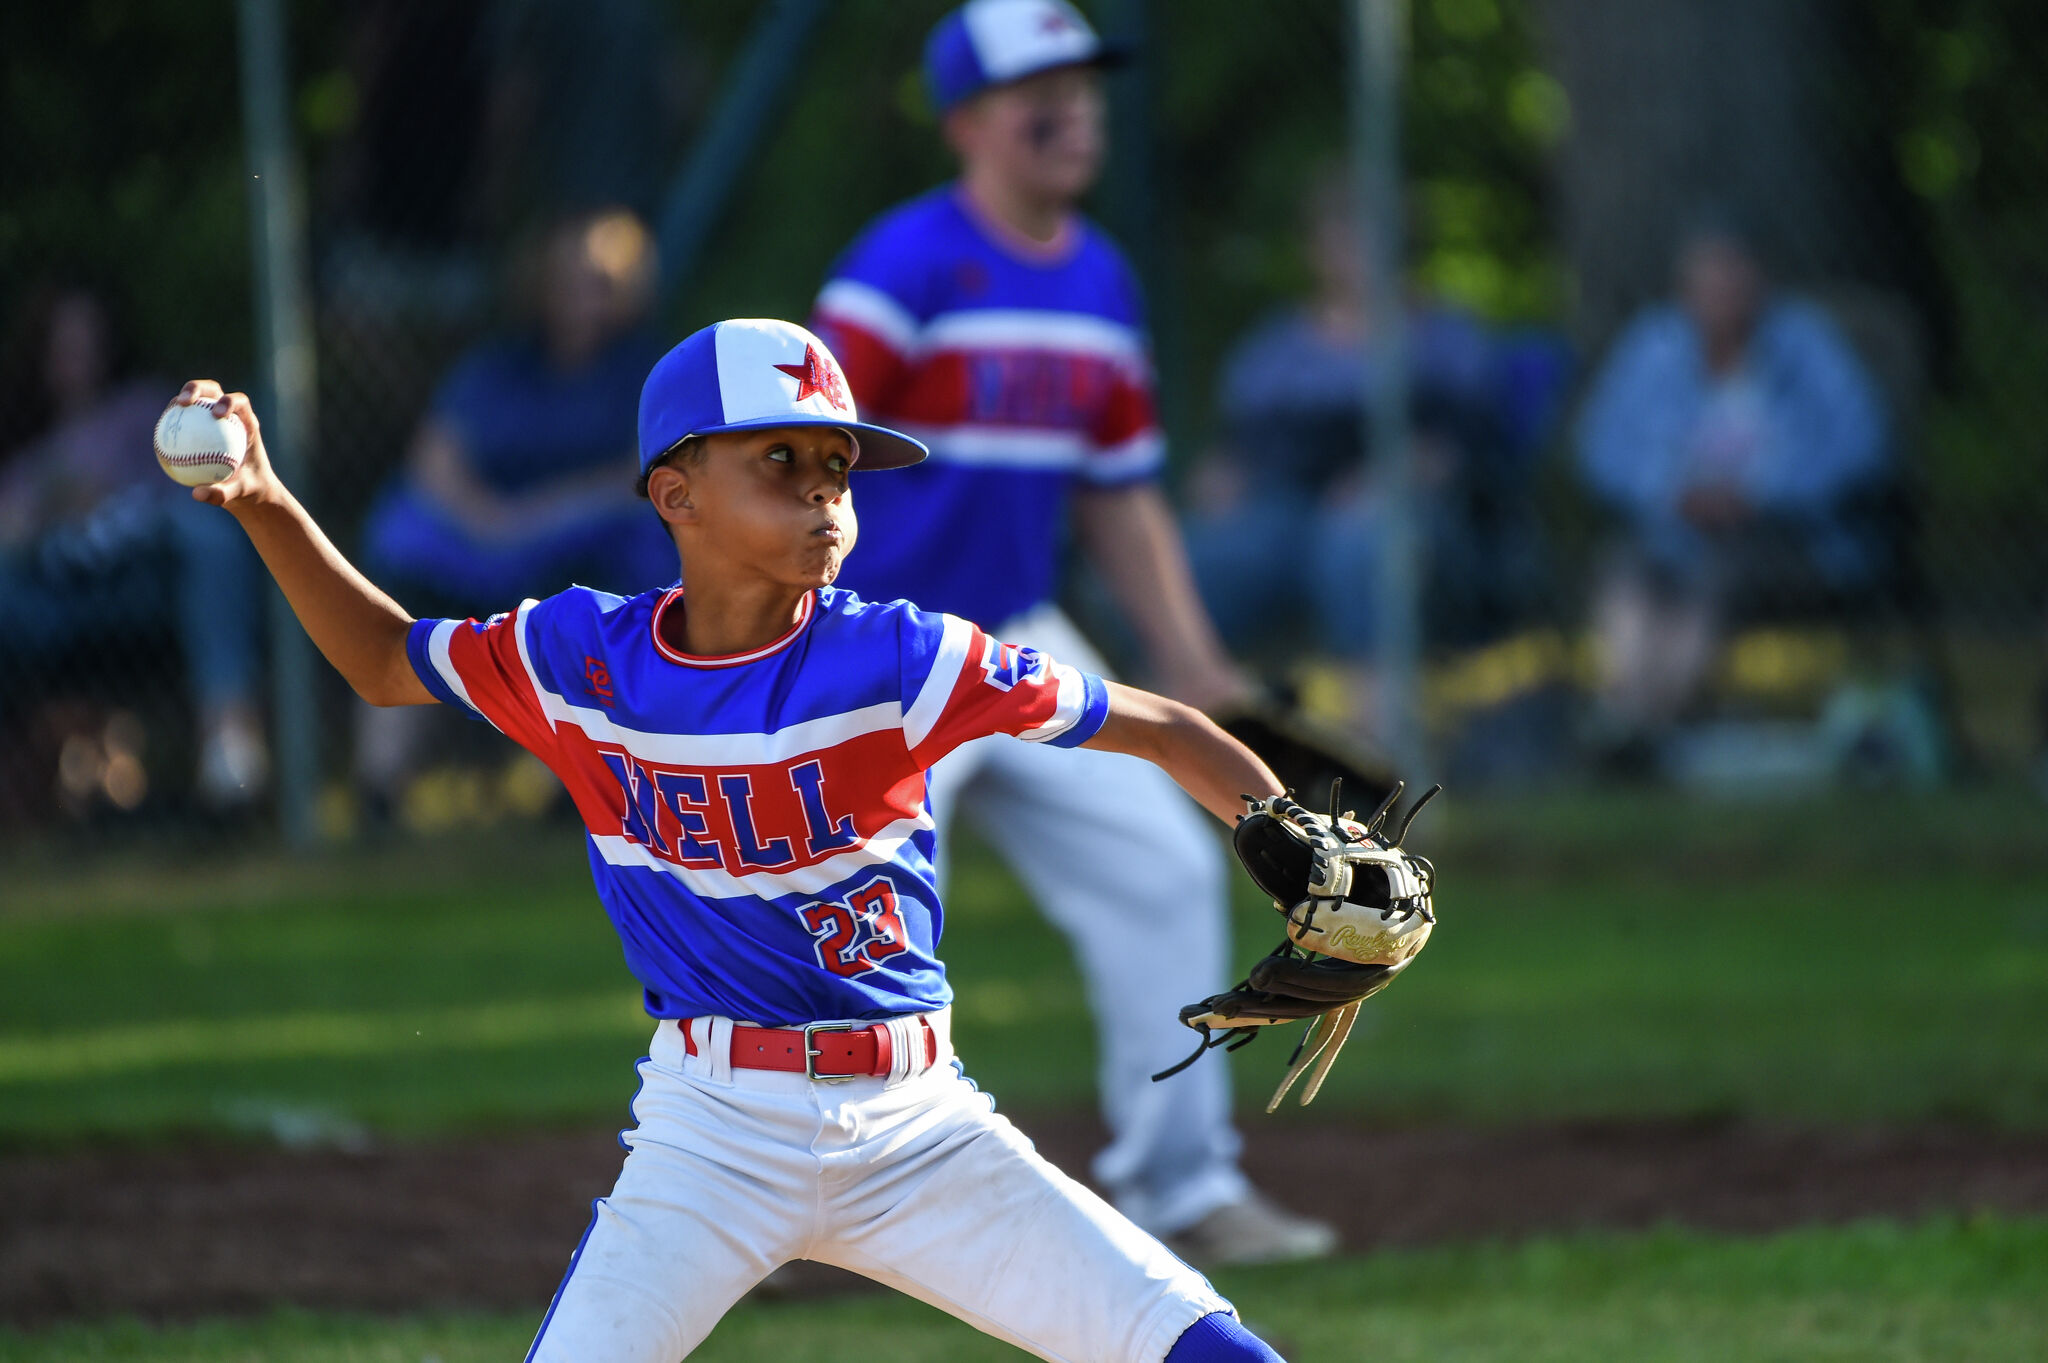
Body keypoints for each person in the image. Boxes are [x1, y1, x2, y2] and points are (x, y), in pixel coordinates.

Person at [170, 316, 1289, 1362]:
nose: (823, 499)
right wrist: (264, 498)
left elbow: (1165, 727)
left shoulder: (904, 660)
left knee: (1200, 1347)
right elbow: (381, 660)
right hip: (709, 1134)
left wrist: (1290, 844)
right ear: (676, 493)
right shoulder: (577, 660)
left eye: (837, 469)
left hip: (917, 1125)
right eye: (779, 463)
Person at [809, 0, 1334, 1263]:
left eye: (1086, 82)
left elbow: (1119, 491)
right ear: (967, 121)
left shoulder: (1097, 279)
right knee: (825, 914)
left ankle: (1180, 1186)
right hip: (877, 653)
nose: (1074, 105)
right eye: (1040, 83)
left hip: (1009, 644)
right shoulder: (902, 268)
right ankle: (778, 1205)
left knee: (1158, 870)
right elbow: (798, 451)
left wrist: (1191, 661)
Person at [353, 208, 676, 813]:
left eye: (600, 283)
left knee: (617, 584)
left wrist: (541, 515)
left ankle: (574, 787)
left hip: (585, 541)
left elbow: (645, 472)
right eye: (566, 281)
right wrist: (490, 520)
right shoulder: (497, 366)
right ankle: (378, 790)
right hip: (486, 537)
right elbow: (435, 461)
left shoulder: (646, 370)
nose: (581, 299)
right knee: (401, 544)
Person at [1183, 173, 1533, 728]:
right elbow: (1237, 444)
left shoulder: (1446, 339)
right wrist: (1222, 476)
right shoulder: (1276, 347)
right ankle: (1183, 737)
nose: (1350, 250)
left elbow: (1466, 447)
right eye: (1336, 235)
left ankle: (1375, 742)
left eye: (1366, 233)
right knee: (1209, 556)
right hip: (1286, 508)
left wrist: (1392, 476)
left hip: (1409, 511)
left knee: (1359, 545)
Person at [1575, 218, 1889, 767]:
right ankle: (1631, 720)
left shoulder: (1806, 347)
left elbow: (1861, 441)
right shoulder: (1654, 348)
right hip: (1673, 529)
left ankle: (1646, 733)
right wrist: (1669, 491)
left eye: (1733, 283)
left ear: (1761, 286)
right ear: (1684, 292)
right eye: (1707, 286)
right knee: (1628, 574)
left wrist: (1761, 493)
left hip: (1784, 536)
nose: (1721, 299)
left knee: (1709, 578)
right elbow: (1600, 446)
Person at [0, 284, 267, 808]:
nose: (78, 359)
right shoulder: (30, 448)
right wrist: (54, 506)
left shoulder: (145, 410)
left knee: (209, 537)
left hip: (144, 584)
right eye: (64, 345)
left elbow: (187, 491)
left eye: (89, 343)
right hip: (57, 600)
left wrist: (110, 497)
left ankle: (230, 740)